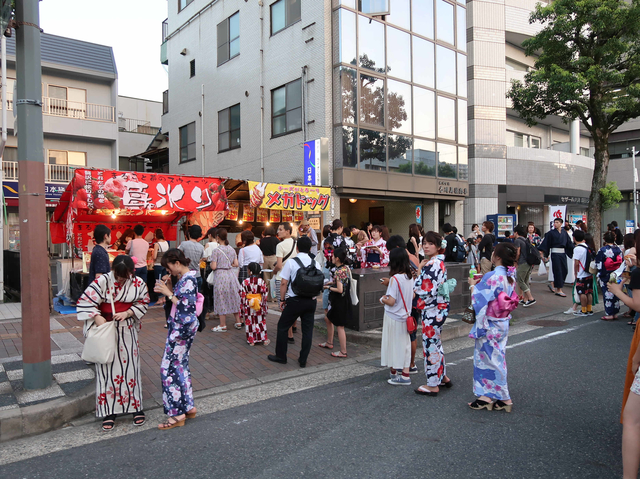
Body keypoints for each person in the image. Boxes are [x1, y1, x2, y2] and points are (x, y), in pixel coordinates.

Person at [77, 255, 150, 431]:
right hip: (106, 328)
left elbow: (144, 301)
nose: (121, 279)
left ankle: (136, 408)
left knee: (131, 369)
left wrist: (129, 313)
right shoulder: (102, 280)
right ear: (113, 271)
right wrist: (96, 316)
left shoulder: (138, 282)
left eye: (125, 276)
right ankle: (109, 411)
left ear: (132, 272)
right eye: (118, 275)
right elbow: (85, 301)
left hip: (127, 329)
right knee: (107, 371)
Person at [467, 242, 519, 412]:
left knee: (488, 360)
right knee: (496, 358)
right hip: (502, 322)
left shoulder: (492, 276)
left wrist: (472, 285)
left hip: (490, 323)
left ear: (497, 257)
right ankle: (490, 395)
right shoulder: (510, 276)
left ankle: (501, 397)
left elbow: (479, 298)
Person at [153, 248, 199, 430]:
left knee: (168, 368)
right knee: (181, 365)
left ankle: (176, 413)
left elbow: (185, 308)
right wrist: (170, 289)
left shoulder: (188, 280)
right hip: (185, 329)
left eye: (169, 267)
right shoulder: (187, 278)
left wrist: (168, 293)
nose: (168, 271)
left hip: (181, 329)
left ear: (177, 263)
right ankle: (188, 406)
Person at [267, 236, 322, 367]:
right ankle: (303, 359)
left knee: (283, 326)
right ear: (310, 249)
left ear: (297, 248)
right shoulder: (316, 263)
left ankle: (281, 356)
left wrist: (282, 299)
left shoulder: (292, 262)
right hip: (311, 301)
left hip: (295, 300)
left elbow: (284, 283)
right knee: (307, 331)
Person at [414, 231, 453, 395]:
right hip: (440, 307)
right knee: (436, 342)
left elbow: (420, 289)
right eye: (424, 243)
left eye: (430, 243)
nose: (426, 246)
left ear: (438, 246)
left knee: (430, 345)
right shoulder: (440, 262)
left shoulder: (430, 264)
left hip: (432, 309)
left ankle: (432, 383)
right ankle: (442, 376)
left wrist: (419, 270)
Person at [380, 247, 415, 386]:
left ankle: (393, 373)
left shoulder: (395, 279)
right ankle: (405, 374)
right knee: (404, 345)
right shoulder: (409, 277)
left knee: (392, 344)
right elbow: (412, 295)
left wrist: (382, 299)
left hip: (393, 316)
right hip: (405, 316)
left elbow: (391, 301)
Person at [210, 229, 241, 332]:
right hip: (231, 275)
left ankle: (223, 324)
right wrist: (228, 265)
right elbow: (236, 264)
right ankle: (238, 321)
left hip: (220, 275)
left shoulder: (216, 251)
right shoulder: (232, 249)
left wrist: (212, 264)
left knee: (221, 298)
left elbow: (213, 266)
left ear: (217, 237)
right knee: (234, 297)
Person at [325, 248, 352, 359]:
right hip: (346, 299)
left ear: (337, 258)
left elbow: (340, 289)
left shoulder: (338, 271)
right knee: (335, 322)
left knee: (340, 327)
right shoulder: (345, 268)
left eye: (332, 256)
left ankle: (343, 351)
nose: (331, 258)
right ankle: (335, 346)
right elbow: (343, 282)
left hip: (340, 300)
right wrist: (333, 282)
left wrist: (329, 287)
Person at [538, 217, 574, 297]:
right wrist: (543, 253)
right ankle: (558, 289)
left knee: (565, 270)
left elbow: (569, 244)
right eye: (555, 222)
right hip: (555, 254)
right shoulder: (550, 233)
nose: (555, 224)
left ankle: (556, 285)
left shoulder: (565, 233)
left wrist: (575, 248)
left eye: (557, 222)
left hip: (563, 254)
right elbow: (546, 244)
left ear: (561, 224)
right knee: (558, 271)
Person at [595, 230, 624, 321]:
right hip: (616, 274)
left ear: (604, 239)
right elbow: (621, 262)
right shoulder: (618, 249)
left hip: (606, 274)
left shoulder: (602, 250)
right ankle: (615, 312)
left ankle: (609, 313)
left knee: (607, 294)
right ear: (615, 238)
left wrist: (599, 272)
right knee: (615, 292)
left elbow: (598, 263)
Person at [240, 262, 270, 346]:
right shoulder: (261, 281)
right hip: (259, 303)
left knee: (249, 322)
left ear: (250, 271)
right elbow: (265, 294)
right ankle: (263, 339)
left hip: (249, 303)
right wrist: (264, 305)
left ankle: (251, 340)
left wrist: (242, 306)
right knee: (260, 321)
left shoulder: (245, 281)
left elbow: (242, 294)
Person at [272, 222, 298, 313]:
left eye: (280, 229)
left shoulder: (280, 245)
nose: (278, 232)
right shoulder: (296, 243)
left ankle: (288, 327)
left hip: (282, 278)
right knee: (293, 305)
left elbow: (279, 265)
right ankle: (294, 326)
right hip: (295, 277)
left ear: (287, 231)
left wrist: (274, 271)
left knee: (283, 305)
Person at [513, 225, 536, 307]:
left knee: (520, 281)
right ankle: (525, 299)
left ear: (516, 232)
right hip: (529, 263)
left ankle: (531, 298)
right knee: (526, 281)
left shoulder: (517, 241)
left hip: (522, 263)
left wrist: (515, 261)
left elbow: (518, 253)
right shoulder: (526, 240)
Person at [573, 229, 593, 317]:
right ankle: (589, 309)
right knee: (589, 292)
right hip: (589, 272)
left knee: (582, 292)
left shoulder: (577, 249)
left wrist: (575, 273)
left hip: (581, 273)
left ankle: (583, 310)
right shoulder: (587, 247)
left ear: (574, 238)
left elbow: (576, 263)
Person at [179, 224, 205, 290]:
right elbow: (201, 259)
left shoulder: (184, 244)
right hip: (197, 275)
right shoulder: (201, 247)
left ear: (189, 233)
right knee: (197, 298)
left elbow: (177, 255)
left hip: (186, 274)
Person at [259, 226, 279, 299]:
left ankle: (267, 297)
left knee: (266, 278)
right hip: (274, 258)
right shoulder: (275, 239)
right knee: (274, 277)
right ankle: (275, 297)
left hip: (265, 258)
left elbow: (261, 249)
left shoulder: (262, 240)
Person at [153, 229, 170, 303]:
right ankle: (164, 297)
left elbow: (154, 256)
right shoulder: (166, 243)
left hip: (158, 264)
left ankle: (160, 298)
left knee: (158, 281)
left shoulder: (157, 244)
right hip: (165, 264)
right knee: (164, 281)